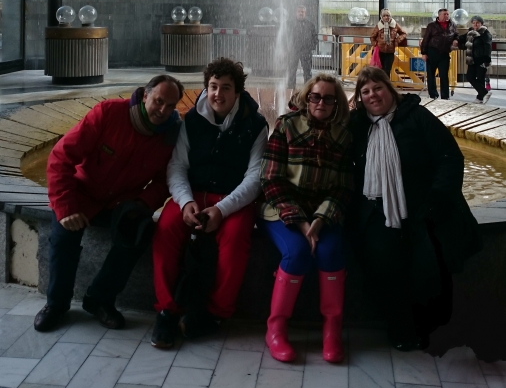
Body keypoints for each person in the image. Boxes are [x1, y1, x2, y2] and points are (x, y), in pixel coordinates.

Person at [34, 75, 184, 332]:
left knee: (141, 231)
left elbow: (164, 182)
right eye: (159, 101)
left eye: (171, 106)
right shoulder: (108, 113)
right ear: (145, 95)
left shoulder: (172, 135)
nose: (163, 111)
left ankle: (100, 299)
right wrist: (66, 207)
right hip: (81, 194)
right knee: (63, 237)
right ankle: (56, 304)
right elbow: (60, 157)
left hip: (121, 203)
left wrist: (141, 203)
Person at [348, 66, 482, 351]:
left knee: (428, 270)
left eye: (378, 88)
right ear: (360, 98)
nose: (373, 95)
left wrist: (437, 198)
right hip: (376, 213)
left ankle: (431, 328)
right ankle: (400, 329)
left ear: (390, 89)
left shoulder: (417, 117)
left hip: (422, 210)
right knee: (384, 268)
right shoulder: (358, 124)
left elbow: (449, 157)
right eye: (365, 91)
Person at [151, 57, 268, 349]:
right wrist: (185, 202)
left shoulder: (256, 125)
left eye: (226, 87)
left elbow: (255, 178)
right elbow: (177, 166)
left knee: (236, 237)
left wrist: (222, 209)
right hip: (193, 194)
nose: (218, 94)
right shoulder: (190, 120)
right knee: (166, 228)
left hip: (232, 199)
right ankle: (166, 310)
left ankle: (217, 313)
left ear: (237, 91)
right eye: (213, 86)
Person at [259, 74, 354, 364]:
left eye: (328, 98)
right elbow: (271, 179)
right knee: (297, 252)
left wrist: (321, 219)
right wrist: (301, 222)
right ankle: (276, 330)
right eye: (315, 96)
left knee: (331, 252)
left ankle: (332, 331)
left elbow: (343, 187)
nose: (321, 102)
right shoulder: (286, 126)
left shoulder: (343, 136)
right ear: (307, 98)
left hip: (323, 215)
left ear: (336, 103)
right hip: (281, 211)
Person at [420, 8, 459, 99]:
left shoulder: (452, 25)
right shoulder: (432, 25)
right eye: (444, 14)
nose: (447, 16)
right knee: (431, 74)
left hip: (444, 53)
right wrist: (424, 53)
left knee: (444, 75)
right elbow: (426, 39)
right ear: (439, 15)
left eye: (447, 14)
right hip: (432, 52)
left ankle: (445, 96)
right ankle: (433, 94)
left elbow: (456, 34)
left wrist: (456, 39)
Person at [458, 16, 493, 103]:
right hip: (472, 59)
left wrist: (486, 60)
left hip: (481, 60)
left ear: (481, 24)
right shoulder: (470, 33)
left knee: (480, 79)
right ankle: (484, 93)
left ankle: (480, 98)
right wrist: (455, 39)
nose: (475, 24)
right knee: (470, 77)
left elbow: (488, 47)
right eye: (473, 23)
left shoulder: (485, 33)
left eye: (477, 23)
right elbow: (462, 39)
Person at [287, 5, 318, 88]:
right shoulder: (290, 24)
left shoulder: (310, 25)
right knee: (291, 71)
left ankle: (308, 88)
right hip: (294, 51)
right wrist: (288, 48)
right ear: (296, 13)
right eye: (299, 11)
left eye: (302, 12)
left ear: (305, 13)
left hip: (306, 51)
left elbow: (315, 37)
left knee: (307, 71)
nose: (301, 13)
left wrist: (311, 47)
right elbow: (285, 37)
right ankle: (291, 88)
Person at [370, 9, 407, 77]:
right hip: (380, 51)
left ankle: (386, 83)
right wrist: (375, 44)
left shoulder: (395, 25)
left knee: (387, 70)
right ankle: (381, 83)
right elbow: (372, 37)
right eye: (384, 16)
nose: (386, 17)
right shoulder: (379, 25)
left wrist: (397, 40)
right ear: (381, 17)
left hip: (390, 52)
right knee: (380, 70)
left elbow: (404, 33)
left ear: (390, 16)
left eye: (387, 15)